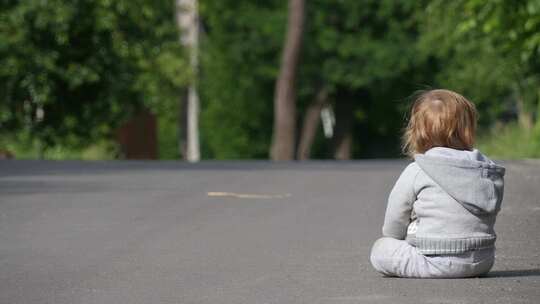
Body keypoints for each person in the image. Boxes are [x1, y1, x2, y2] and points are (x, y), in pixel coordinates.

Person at [370, 89, 505, 278]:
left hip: (435, 261)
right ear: (467, 129)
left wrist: (397, 237)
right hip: (483, 261)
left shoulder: (417, 170)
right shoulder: (485, 169)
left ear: (417, 132)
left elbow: (394, 221)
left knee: (381, 249)